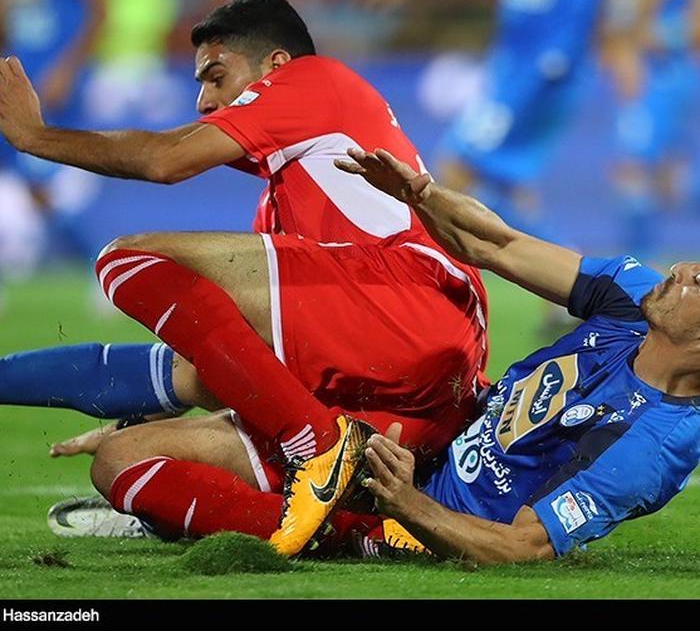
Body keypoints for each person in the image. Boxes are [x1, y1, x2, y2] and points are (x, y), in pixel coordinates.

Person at [0, 0, 489, 555]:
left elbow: (164, 158)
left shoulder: (315, 79)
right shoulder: (283, 202)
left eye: (216, 76)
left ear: (276, 65)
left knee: (129, 259)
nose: (205, 102)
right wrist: (132, 418)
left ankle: (318, 447)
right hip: (398, 408)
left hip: (417, 312)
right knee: (121, 462)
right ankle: (370, 534)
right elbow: (207, 365)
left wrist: (34, 137)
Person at [50, 145, 700, 563]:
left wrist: (405, 505)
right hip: (438, 426)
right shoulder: (634, 295)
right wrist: (421, 194)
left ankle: (343, 535)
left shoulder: (653, 444)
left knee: (120, 461)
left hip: (426, 518)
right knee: (137, 446)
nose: (683, 270)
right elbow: (495, 245)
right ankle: (256, 493)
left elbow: (524, 547)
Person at [359, 0, 671, 242]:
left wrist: (628, 36)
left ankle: (566, 267)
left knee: (458, 170)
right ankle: (564, 266)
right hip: (514, 58)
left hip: (549, 60)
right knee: (504, 187)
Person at [0, 0, 113, 262]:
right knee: (24, 174)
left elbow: (102, 7)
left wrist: (68, 69)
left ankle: (93, 257)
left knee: (41, 175)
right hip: (19, 67)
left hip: (53, 75)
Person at [603, 0, 700, 259]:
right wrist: (618, 48)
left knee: (640, 171)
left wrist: (648, 36)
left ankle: (638, 262)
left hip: (665, 72)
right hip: (642, 69)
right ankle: (639, 261)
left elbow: (695, 25)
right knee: (640, 171)